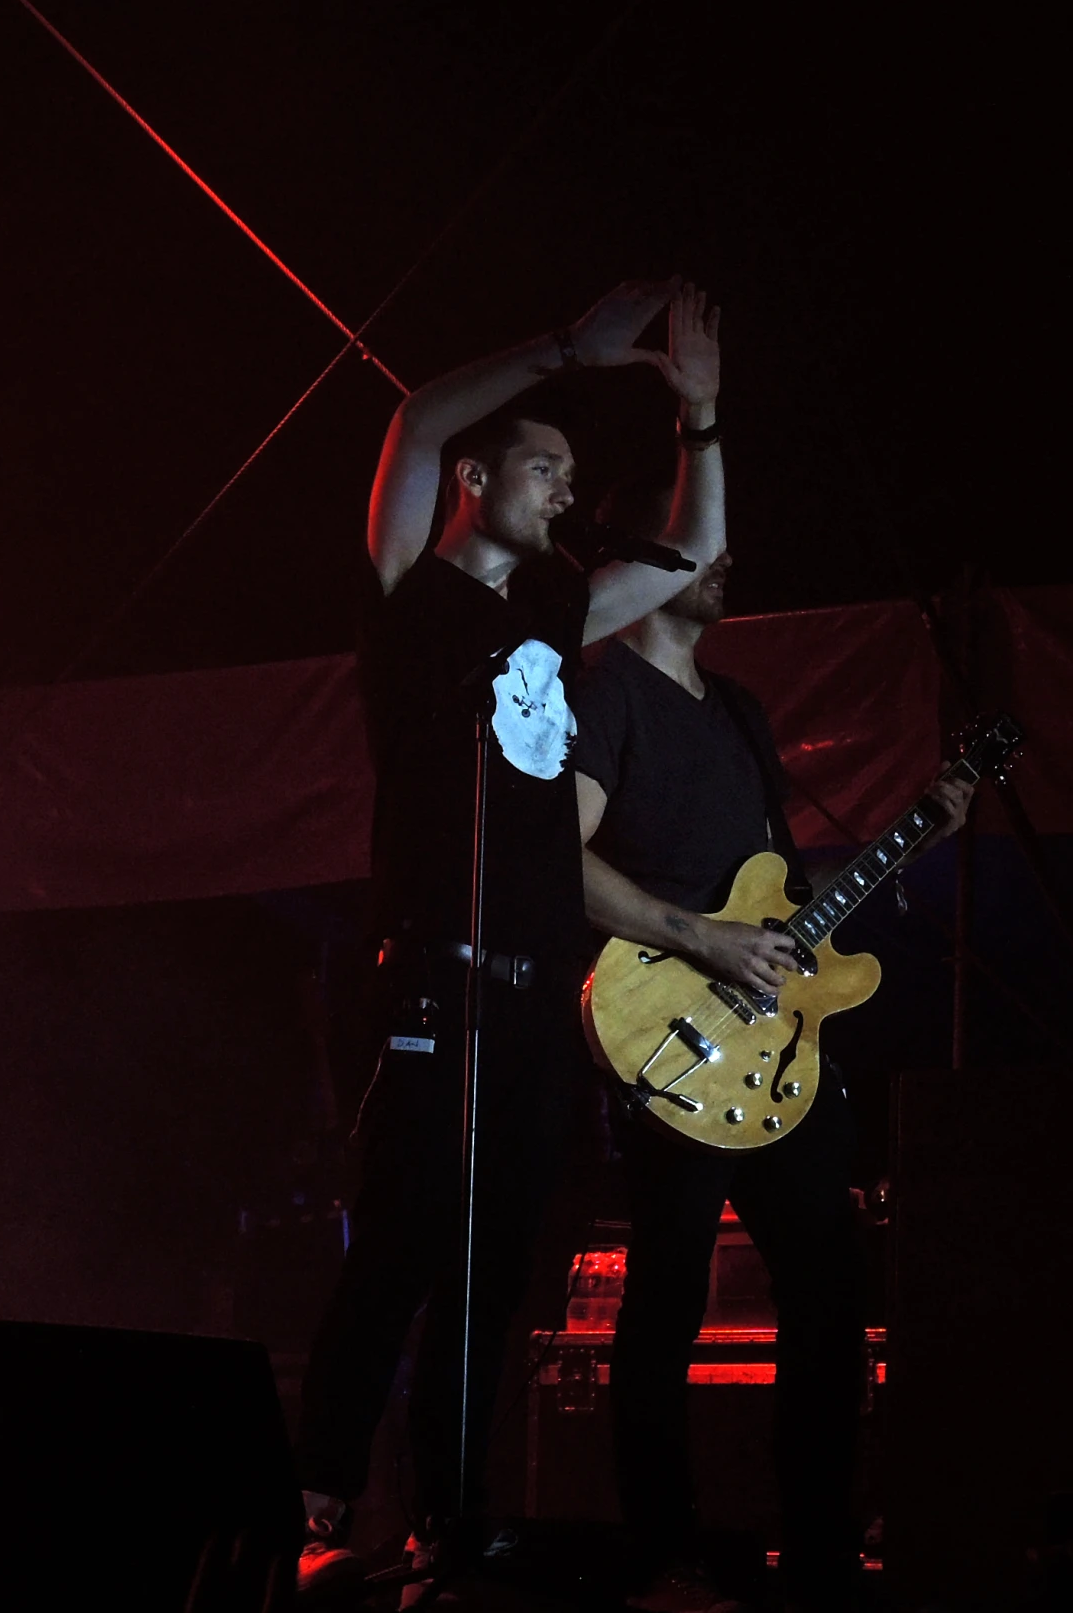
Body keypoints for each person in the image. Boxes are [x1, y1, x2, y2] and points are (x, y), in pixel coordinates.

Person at [296, 280, 727, 1603]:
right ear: (481, 479)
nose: (560, 486)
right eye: (542, 465)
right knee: (400, 1253)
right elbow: (415, 421)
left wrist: (700, 423)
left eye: (570, 472)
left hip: (537, 999)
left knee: (493, 1274)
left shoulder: (550, 610)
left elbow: (692, 554)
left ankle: (455, 1520)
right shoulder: (408, 596)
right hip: (431, 975)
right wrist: (567, 354)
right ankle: (313, 1508)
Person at [571, 502, 972, 1612]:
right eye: (704, 552)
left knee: (831, 1294)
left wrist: (912, 837)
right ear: (643, 574)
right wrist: (694, 937)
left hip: (772, 1054)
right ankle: (665, 1550)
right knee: (663, 1304)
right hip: (664, 1025)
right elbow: (556, 862)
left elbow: (778, 896)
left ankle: (820, 1543)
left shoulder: (740, 711)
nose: (729, 566)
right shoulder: (603, 695)